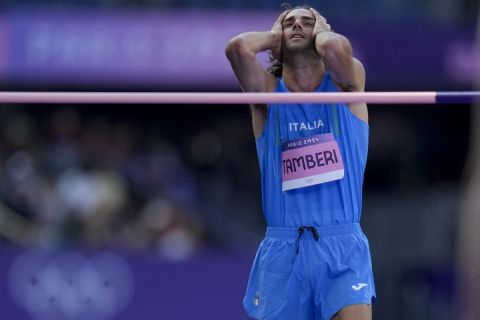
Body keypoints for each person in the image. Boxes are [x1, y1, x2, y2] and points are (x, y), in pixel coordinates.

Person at [225, 4, 375, 320]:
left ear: (321, 29)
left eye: (306, 22)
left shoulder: (347, 82)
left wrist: (321, 32)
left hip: (341, 246)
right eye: (288, 22)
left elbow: (335, 48)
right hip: (284, 249)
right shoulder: (266, 92)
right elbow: (237, 48)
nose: (296, 26)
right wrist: (272, 36)